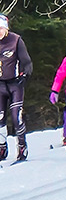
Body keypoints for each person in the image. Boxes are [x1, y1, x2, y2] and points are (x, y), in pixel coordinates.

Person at [0, 13, 32, 161]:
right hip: (0, 85)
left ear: (6, 29)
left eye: (1, 29)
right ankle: (2, 147)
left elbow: (26, 62)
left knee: (15, 117)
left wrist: (25, 75)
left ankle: (22, 146)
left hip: (15, 84)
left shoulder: (15, 40)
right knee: (0, 118)